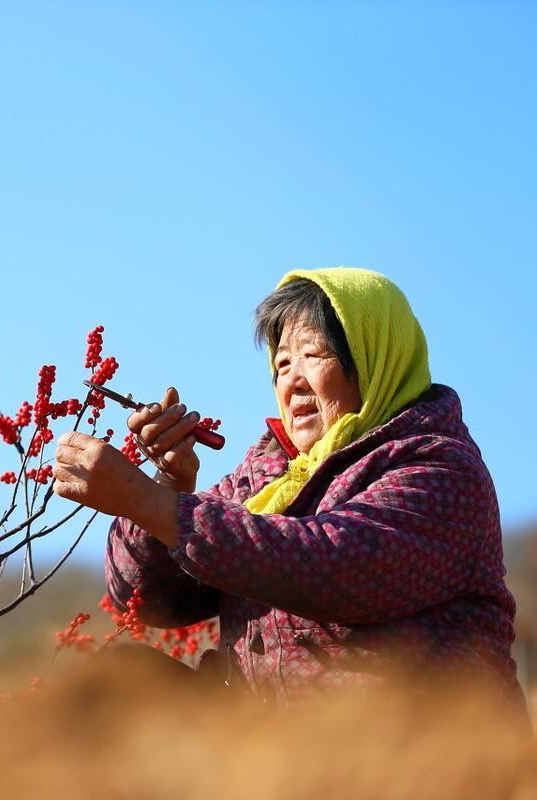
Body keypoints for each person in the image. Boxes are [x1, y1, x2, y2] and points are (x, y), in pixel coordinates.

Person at [52, 267, 526, 712]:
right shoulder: (267, 476)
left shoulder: (440, 470)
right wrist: (168, 485)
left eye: (313, 355)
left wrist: (149, 501)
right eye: (281, 363)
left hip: (410, 750)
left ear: (374, 360)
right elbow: (148, 601)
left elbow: (333, 566)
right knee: (118, 683)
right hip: (272, 745)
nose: (292, 380)